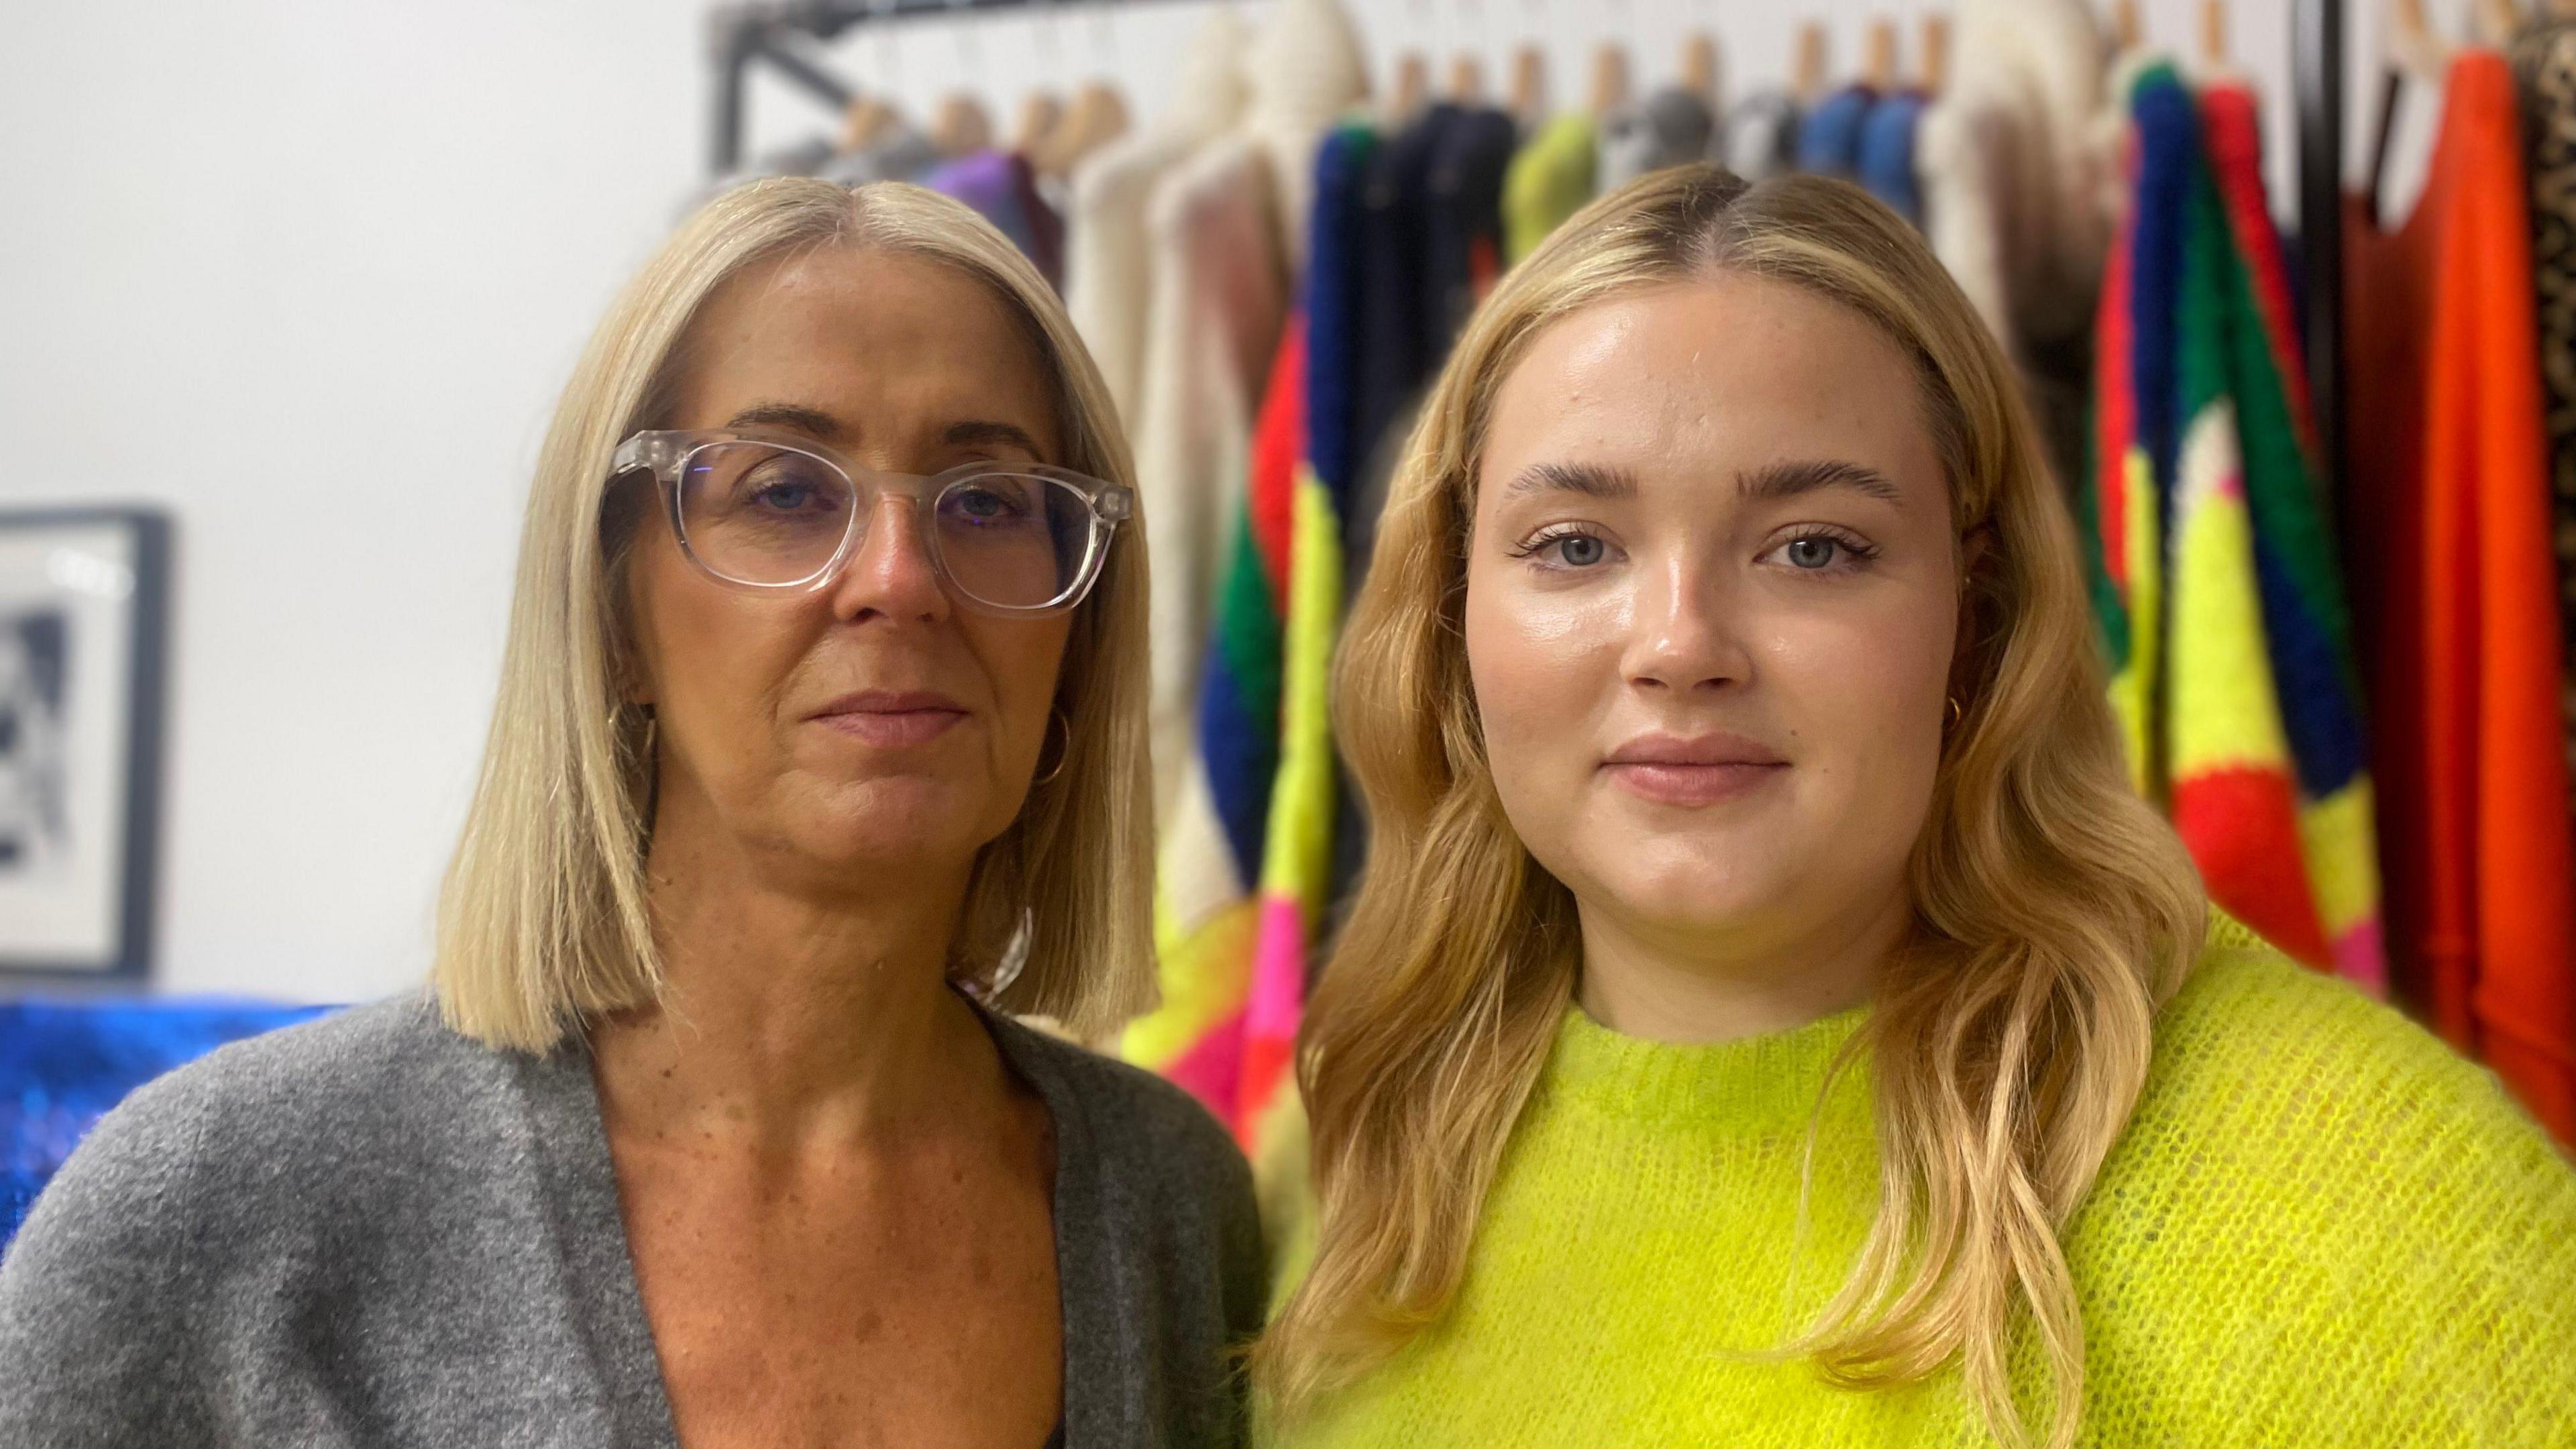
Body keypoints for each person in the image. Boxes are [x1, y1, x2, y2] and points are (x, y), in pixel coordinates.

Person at [1256, 166, 2576, 1448]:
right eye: (1575, 545)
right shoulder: (1354, 1153)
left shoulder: (2360, 1194)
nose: (1679, 644)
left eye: (1814, 547)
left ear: (1977, 611)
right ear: (1451, 615)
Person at [0, 179, 1264, 1449]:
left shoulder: (1170, 1206)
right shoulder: (220, 1209)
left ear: (1079, 626)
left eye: (986, 501)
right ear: (612, 610)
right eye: (783, 492)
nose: (898, 579)